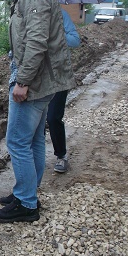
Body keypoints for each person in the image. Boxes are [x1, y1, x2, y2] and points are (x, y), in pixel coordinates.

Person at [0, 0, 75, 223]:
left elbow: (37, 41)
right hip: (40, 79)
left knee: (17, 140)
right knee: (34, 139)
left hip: (35, 81)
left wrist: (23, 81)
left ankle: (27, 203)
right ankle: (27, 192)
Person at [47, 9, 81, 173]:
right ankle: (34, 158)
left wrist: (55, 35)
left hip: (59, 75)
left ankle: (61, 155)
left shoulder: (61, 15)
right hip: (36, 76)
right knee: (36, 121)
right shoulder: (28, 13)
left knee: (53, 117)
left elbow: (75, 40)